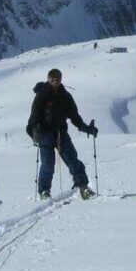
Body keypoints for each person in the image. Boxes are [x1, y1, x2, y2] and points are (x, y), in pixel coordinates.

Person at [26, 68, 98, 200]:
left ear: (61, 79)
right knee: (47, 165)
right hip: (45, 134)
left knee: (73, 161)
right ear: (48, 78)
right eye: (52, 77)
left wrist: (86, 128)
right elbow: (34, 116)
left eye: (58, 77)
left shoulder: (65, 96)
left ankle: (83, 188)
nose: (55, 79)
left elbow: (74, 116)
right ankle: (44, 192)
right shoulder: (41, 95)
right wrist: (35, 131)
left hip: (61, 134)